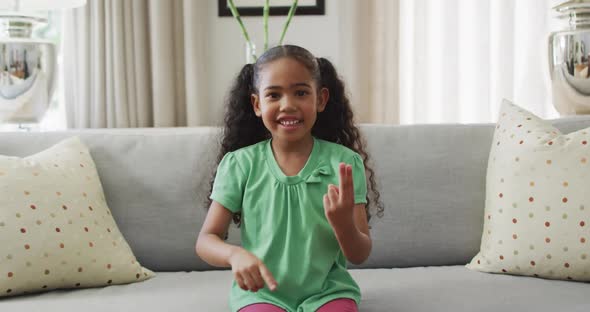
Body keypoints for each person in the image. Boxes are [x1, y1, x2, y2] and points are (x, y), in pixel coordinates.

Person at [196, 45, 383, 312]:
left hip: (328, 293)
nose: (288, 105)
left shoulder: (344, 163)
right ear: (257, 104)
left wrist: (344, 226)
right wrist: (235, 255)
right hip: (261, 295)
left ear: (320, 99)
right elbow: (206, 240)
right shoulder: (239, 164)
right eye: (274, 95)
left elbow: (359, 253)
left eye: (301, 93)